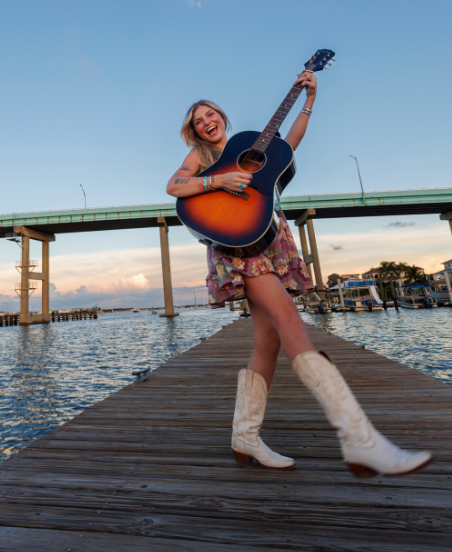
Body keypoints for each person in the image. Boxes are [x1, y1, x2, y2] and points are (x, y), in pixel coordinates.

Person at [166, 71, 433, 478]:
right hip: (240, 247)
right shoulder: (202, 157)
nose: (206, 121)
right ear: (195, 131)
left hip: (269, 237)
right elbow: (175, 186)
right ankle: (359, 439)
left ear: (222, 116)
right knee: (290, 321)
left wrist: (309, 100)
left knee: (267, 341)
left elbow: (290, 143)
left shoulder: (250, 145)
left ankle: (244, 436)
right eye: (198, 120)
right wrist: (219, 180)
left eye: (210, 114)